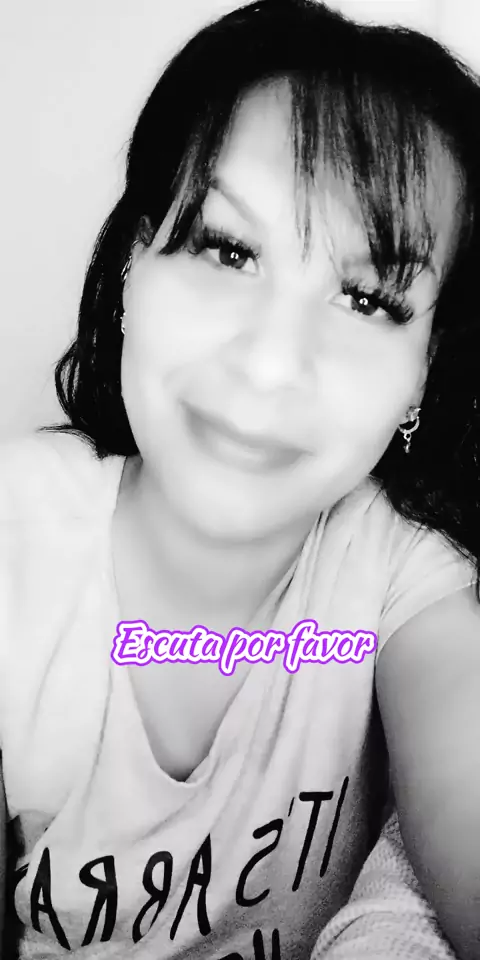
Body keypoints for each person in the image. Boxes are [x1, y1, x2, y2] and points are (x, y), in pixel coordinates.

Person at [0, 0, 479, 957]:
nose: (271, 365)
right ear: (132, 268)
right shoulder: (17, 536)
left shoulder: (408, 583)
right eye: (228, 250)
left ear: (424, 372)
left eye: (367, 298)